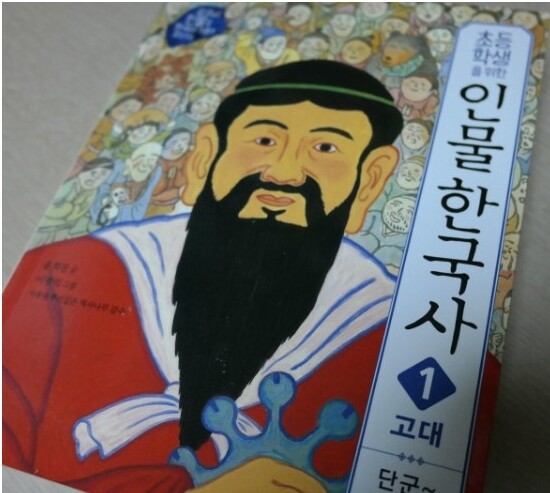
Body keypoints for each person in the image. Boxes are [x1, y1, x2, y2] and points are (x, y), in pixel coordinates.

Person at [4, 60, 500, 492]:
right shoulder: (75, 270)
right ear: (206, 156)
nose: (284, 173)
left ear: (369, 181)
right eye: (264, 139)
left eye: (326, 148)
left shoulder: (408, 335)